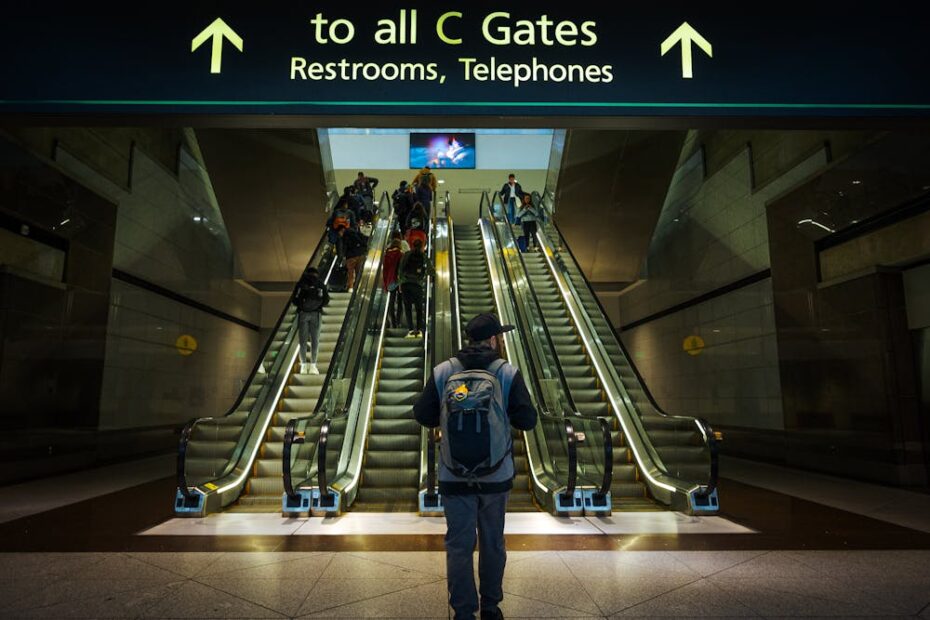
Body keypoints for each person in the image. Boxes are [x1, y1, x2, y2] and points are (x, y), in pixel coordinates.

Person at [413, 313, 538, 620]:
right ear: (494, 339)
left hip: (454, 477)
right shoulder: (507, 372)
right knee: (493, 542)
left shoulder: (443, 371)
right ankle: (491, 607)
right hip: (496, 478)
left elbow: (422, 414)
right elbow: (528, 420)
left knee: (459, 545)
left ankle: (463, 612)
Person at [293, 267, 330, 375]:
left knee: (302, 341)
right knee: (315, 341)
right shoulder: (320, 284)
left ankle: (303, 366)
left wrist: (302, 307)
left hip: (303, 314)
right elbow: (326, 300)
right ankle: (313, 366)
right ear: (316, 274)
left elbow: (294, 299)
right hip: (316, 314)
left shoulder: (301, 283)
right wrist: (318, 307)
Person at [397, 238, 434, 338]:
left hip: (405, 284)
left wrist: (400, 283)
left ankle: (410, 330)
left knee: (408, 308)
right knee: (418, 308)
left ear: (412, 245)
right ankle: (419, 330)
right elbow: (431, 270)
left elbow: (400, 269)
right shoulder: (424, 256)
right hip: (417, 285)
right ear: (422, 246)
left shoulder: (406, 255)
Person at [382, 238, 404, 328]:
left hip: (390, 281)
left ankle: (393, 323)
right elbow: (402, 269)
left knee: (391, 302)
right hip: (400, 281)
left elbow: (385, 271)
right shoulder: (401, 254)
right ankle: (398, 321)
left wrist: (385, 283)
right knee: (400, 302)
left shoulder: (386, 255)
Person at [342, 225, 368, 292]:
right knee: (358, 272)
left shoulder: (345, 236)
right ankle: (358, 287)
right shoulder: (358, 234)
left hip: (350, 256)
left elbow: (344, 247)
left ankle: (350, 287)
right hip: (360, 255)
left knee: (350, 272)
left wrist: (343, 256)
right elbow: (365, 243)